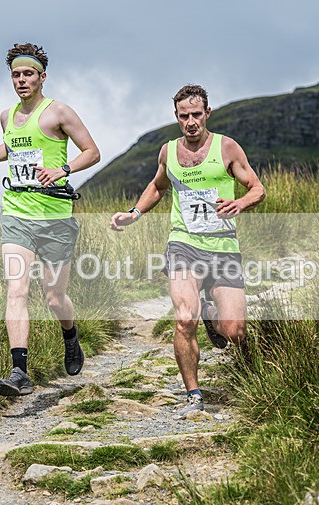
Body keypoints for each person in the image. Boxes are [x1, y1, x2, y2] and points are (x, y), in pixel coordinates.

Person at [0, 43, 100, 396]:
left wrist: (61, 169)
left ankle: (70, 336)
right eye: (16, 74)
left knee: (54, 297)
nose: (21, 80)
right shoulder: (7, 115)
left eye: (28, 74)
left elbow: (92, 152)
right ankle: (19, 371)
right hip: (17, 213)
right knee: (17, 290)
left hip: (56, 218)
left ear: (42, 77)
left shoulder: (58, 113)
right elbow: (9, 149)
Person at [110, 84, 266, 419]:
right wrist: (134, 213)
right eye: (184, 116)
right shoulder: (168, 152)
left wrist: (240, 202)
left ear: (207, 114)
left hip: (223, 248)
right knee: (183, 318)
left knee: (235, 332)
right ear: (177, 117)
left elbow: (257, 188)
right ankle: (193, 394)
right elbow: (157, 185)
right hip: (184, 245)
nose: (191, 121)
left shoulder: (226, 148)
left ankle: (215, 317)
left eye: (197, 114)